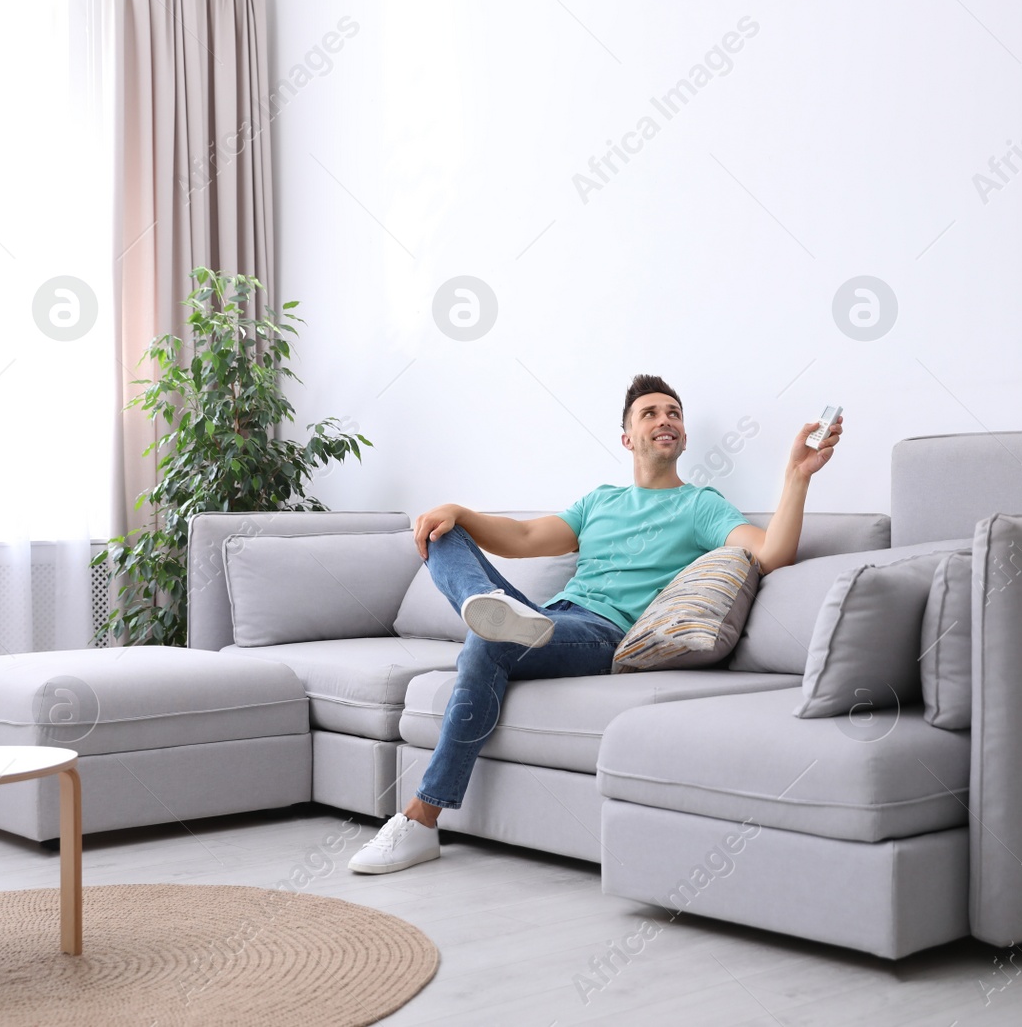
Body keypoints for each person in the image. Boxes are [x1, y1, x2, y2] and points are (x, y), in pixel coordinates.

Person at [347, 374, 844, 873]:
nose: (664, 420)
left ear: (684, 437)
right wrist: (459, 511)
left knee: (486, 643)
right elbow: (521, 536)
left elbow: (773, 553)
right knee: (442, 533)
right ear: (628, 438)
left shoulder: (701, 506)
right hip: (548, 618)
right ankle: (484, 603)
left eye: (673, 413)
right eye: (649, 414)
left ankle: (421, 819)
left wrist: (797, 475)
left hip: (602, 634)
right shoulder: (599, 502)